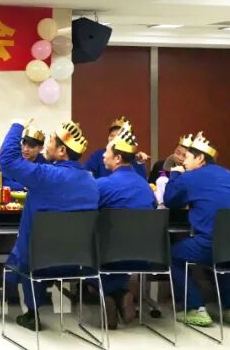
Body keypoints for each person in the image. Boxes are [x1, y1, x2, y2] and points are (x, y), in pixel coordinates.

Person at [0, 120, 99, 331]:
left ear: (62, 150)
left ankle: (30, 310)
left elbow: (7, 159)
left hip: (38, 261)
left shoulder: (45, 175)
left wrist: (17, 126)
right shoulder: (91, 181)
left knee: (22, 253)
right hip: (78, 262)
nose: (47, 146)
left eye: (50, 141)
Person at [164, 131, 230, 329]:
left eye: (188, 157)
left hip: (210, 245)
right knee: (223, 253)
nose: (184, 161)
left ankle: (194, 307)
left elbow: (170, 200)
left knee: (172, 255)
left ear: (200, 158)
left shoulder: (190, 178)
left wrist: (175, 174)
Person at [96, 125, 156, 329]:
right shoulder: (146, 187)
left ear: (118, 158)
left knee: (85, 257)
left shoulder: (104, 185)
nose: (103, 155)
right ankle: (121, 293)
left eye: (107, 152)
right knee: (119, 253)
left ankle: (111, 294)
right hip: (145, 254)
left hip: (111, 253)